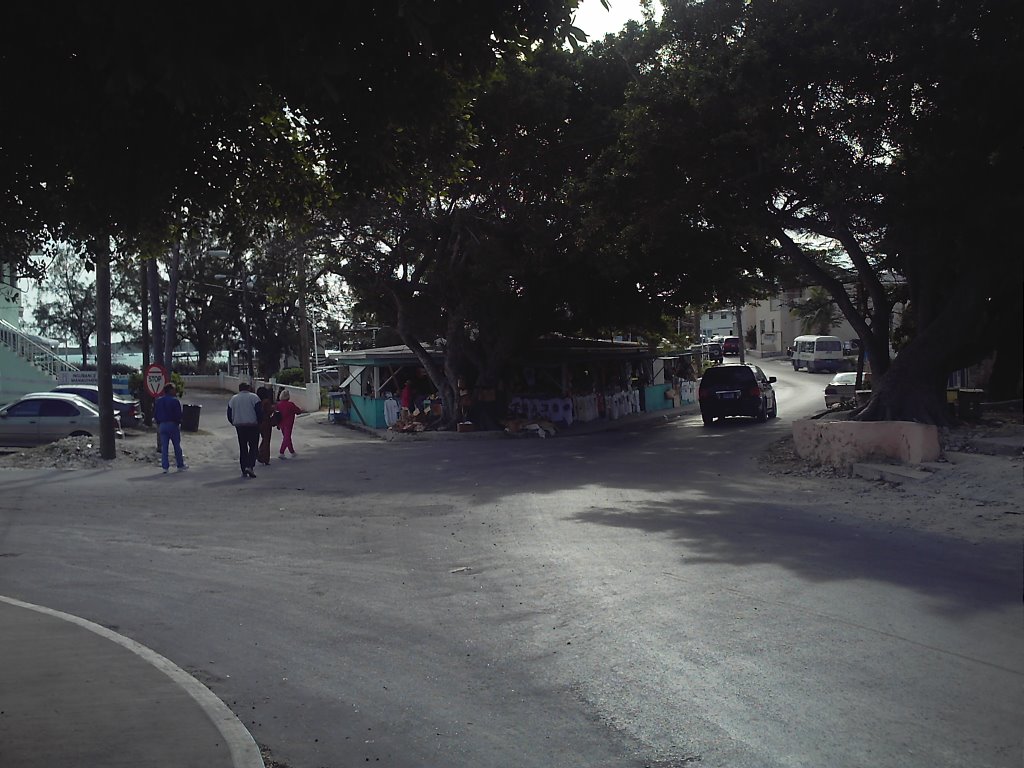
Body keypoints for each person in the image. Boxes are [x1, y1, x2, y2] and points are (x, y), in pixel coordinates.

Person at [227, 382, 262, 478]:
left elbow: (229, 413)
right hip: (252, 425)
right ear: (248, 388)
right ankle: (250, 466)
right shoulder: (254, 397)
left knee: (243, 447)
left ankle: (243, 468)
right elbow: (259, 412)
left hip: (239, 426)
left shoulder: (233, 399)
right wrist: (259, 422)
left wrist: (233, 422)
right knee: (253, 447)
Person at [153, 383, 187, 473]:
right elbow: (178, 415)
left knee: (164, 447)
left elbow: (155, 413)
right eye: (174, 389)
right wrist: (179, 422)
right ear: (170, 390)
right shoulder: (175, 401)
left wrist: (158, 422)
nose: (175, 391)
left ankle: (165, 467)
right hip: (172, 424)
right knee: (176, 446)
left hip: (162, 425)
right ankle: (180, 465)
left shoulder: (159, 401)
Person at [274, 389, 303, 458]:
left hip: (281, 423)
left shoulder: (278, 405)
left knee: (286, 437)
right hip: (289, 423)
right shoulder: (290, 404)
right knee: (287, 438)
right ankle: (281, 452)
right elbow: (298, 411)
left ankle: (292, 451)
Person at [256, 386, 275, 465]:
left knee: (263, 439)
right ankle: (264, 457)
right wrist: (274, 408)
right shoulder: (266, 401)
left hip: (258, 422)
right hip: (266, 422)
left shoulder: (257, 401)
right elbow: (269, 411)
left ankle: (260, 453)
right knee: (266, 440)